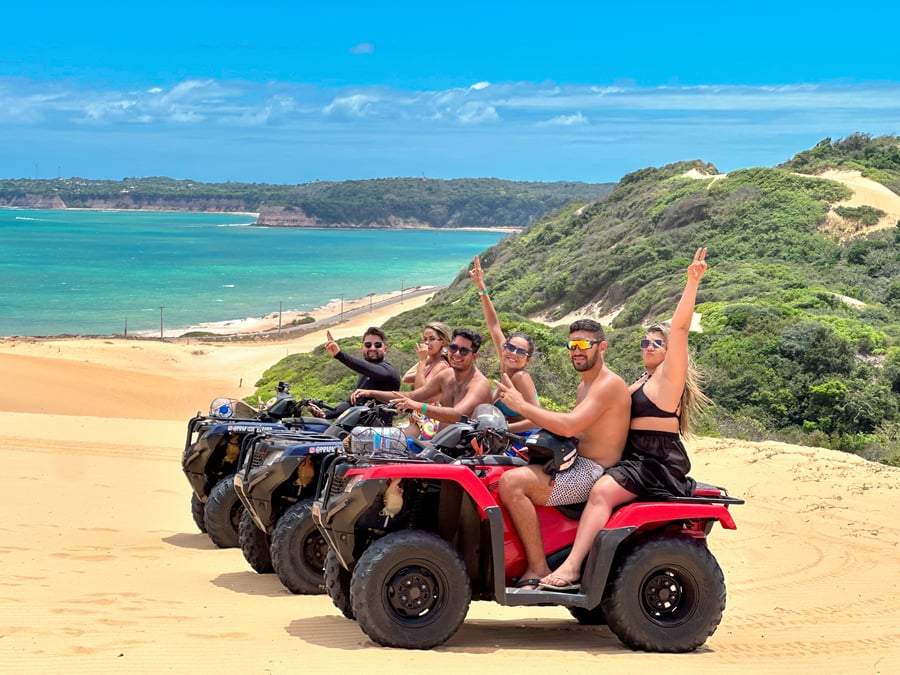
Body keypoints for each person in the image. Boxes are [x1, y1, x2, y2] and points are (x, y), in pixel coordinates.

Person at [537, 247, 711, 592]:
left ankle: (572, 567)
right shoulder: (640, 381)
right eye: (645, 341)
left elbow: (679, 330)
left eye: (656, 343)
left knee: (602, 491)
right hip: (632, 458)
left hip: (654, 461)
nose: (648, 346)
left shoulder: (669, 378)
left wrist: (691, 284)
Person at [493, 319, 631, 590]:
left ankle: (537, 566)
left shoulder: (608, 385)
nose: (576, 350)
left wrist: (522, 406)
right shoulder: (585, 386)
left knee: (512, 483)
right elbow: (577, 430)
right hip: (575, 460)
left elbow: (569, 425)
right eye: (571, 345)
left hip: (592, 471)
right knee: (503, 469)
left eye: (583, 345)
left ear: (601, 347)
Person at [353, 327, 493, 426]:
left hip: (465, 454)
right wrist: (370, 393)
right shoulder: (447, 376)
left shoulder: (479, 384)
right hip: (440, 444)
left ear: (474, 356)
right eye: (453, 348)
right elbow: (412, 396)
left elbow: (457, 415)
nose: (456, 354)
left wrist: (420, 407)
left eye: (463, 351)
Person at [468, 255, 540, 433]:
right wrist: (481, 286)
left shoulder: (520, 377)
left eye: (520, 352)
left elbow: (537, 420)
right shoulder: (505, 360)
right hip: (504, 434)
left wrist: (503, 429)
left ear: (528, 359)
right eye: (510, 347)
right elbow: (494, 326)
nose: (513, 353)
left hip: (523, 437)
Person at [309, 327, 401, 423]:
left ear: (385, 349)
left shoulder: (388, 371)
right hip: (356, 430)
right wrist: (326, 414)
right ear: (362, 348)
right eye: (368, 345)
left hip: (377, 433)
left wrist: (339, 355)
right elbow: (350, 403)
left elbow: (372, 370)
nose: (373, 348)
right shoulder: (365, 374)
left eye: (377, 345)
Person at [400, 322, 451, 439]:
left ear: (442, 342)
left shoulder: (442, 365)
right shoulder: (430, 362)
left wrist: (423, 362)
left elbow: (421, 392)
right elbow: (406, 378)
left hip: (429, 420)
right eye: (425, 339)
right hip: (419, 417)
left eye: (432, 339)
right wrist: (425, 361)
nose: (427, 343)